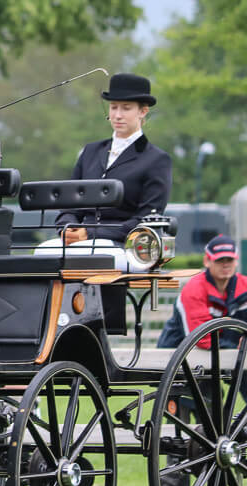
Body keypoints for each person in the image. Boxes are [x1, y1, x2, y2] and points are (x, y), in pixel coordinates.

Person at [49, 73, 172, 266]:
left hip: (125, 244)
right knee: (44, 252)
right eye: (114, 107)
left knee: (86, 256)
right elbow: (70, 204)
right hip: (81, 240)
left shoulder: (156, 160)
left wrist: (90, 233)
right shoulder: (90, 152)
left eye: (126, 108)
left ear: (143, 111)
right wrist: (67, 228)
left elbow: (146, 219)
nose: (117, 115)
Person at [157, 235, 247, 349]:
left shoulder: (244, 285)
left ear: (236, 261)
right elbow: (201, 340)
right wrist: (237, 348)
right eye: (219, 260)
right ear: (206, 261)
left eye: (229, 259)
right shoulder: (194, 289)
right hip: (175, 354)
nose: (225, 265)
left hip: (225, 354)